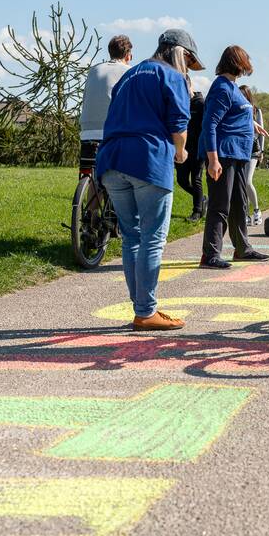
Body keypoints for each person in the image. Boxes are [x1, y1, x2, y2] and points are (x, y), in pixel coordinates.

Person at [94, 30, 194, 330]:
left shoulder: (130, 74)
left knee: (132, 237)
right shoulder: (171, 76)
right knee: (152, 238)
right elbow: (178, 123)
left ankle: (141, 308)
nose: (188, 65)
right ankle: (146, 311)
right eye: (188, 59)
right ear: (179, 53)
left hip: (112, 158)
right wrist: (180, 151)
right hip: (148, 158)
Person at [200, 46, 269, 269]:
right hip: (223, 154)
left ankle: (242, 249)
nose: (248, 65)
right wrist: (213, 160)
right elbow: (210, 124)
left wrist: (252, 123)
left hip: (239, 155)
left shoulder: (232, 87)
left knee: (239, 204)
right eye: (246, 61)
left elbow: (235, 112)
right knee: (220, 205)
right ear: (237, 62)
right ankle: (210, 254)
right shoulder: (221, 87)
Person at [78, 35, 133, 166]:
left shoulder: (94, 70)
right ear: (128, 56)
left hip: (87, 132)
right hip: (114, 133)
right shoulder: (130, 72)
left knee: (91, 171)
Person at [175, 88, 207, 220]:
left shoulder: (201, 104)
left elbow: (207, 125)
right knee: (181, 181)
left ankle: (197, 211)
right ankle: (202, 199)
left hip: (197, 149)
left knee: (196, 179)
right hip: (181, 148)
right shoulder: (178, 102)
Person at [239, 84, 266, 226]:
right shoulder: (236, 109)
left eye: (243, 95)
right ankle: (245, 214)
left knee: (247, 181)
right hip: (240, 149)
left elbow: (261, 133)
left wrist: (262, 150)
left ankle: (257, 210)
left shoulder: (256, 111)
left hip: (253, 150)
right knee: (241, 183)